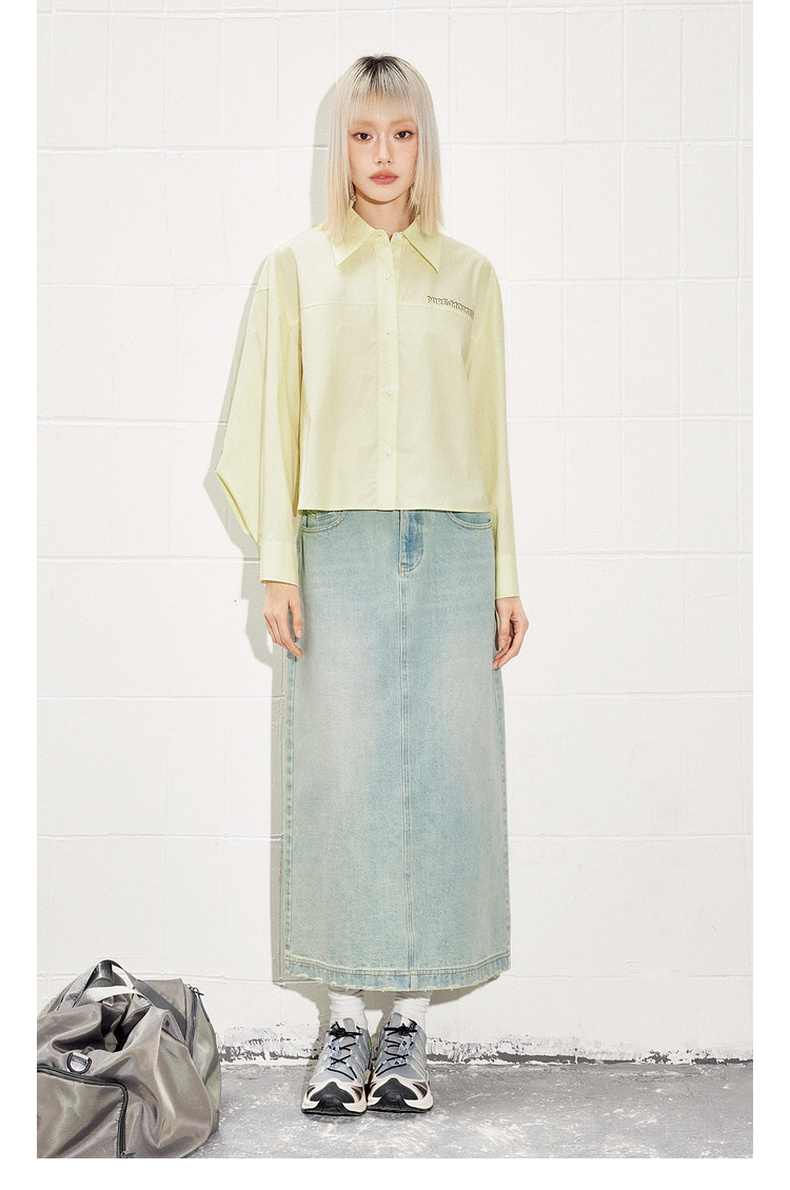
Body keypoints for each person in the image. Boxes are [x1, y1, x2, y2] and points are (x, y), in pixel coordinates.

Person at [215, 54, 528, 1116]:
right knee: (341, 775)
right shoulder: (295, 269)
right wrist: (277, 562)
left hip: (451, 546)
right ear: (339, 146)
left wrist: (505, 575)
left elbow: (491, 436)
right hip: (334, 544)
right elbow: (269, 421)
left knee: (444, 778)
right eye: (362, 135)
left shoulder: (469, 277)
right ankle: (345, 1020)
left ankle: (410, 1026)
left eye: (400, 133)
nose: (382, 156)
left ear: (424, 144)